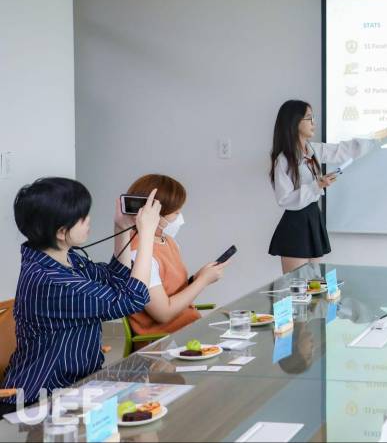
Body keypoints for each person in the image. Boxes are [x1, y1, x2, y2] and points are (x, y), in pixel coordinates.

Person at [0, 178, 160, 415]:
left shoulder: (63, 257)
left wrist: (122, 228)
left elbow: (115, 278)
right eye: (82, 217)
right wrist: (146, 235)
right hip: (40, 401)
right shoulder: (54, 282)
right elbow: (133, 299)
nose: (88, 220)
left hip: (76, 387)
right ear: (61, 232)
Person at [268, 100, 387, 273]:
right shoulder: (283, 160)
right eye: (309, 118)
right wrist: (317, 185)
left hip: (313, 218)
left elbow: (345, 150)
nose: (314, 123)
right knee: (297, 286)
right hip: (295, 225)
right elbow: (284, 199)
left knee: (315, 283)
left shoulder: (313, 150)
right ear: (294, 122)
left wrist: (383, 134)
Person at [125, 174, 229, 345]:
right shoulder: (139, 255)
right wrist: (202, 281)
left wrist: (196, 278)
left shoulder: (167, 241)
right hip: (166, 344)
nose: (180, 218)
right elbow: (163, 313)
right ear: (154, 214)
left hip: (189, 330)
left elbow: (170, 291)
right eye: (176, 213)